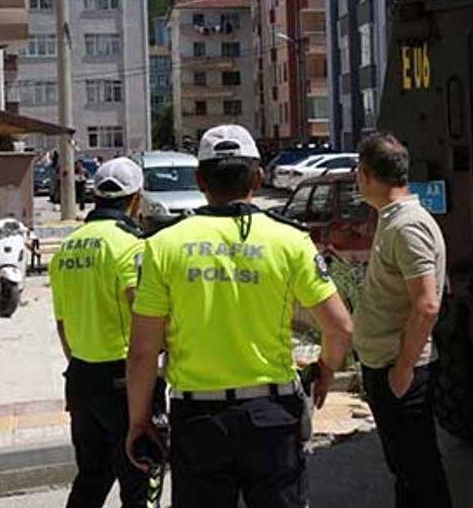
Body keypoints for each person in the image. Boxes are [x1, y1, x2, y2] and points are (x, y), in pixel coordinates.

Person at [125, 124, 354, 507]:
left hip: (197, 421)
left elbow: (143, 352)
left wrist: (138, 420)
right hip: (272, 417)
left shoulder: (163, 246)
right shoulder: (290, 240)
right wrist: (326, 369)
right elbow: (340, 326)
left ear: (200, 180)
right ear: (259, 176)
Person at [50, 158, 165, 508]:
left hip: (82, 379)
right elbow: (141, 313)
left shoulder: (67, 248)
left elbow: (62, 326)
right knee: (142, 479)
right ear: (136, 199)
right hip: (125, 381)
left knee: (91, 477)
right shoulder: (131, 247)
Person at [353, 132, 452, 507]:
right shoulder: (393, 219)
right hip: (388, 365)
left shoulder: (406, 225)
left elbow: (427, 305)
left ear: (364, 174)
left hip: (400, 371)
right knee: (407, 474)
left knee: (420, 473)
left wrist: (403, 370)